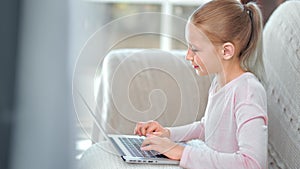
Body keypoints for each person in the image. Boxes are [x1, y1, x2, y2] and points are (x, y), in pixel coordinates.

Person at [134, 0, 268, 168]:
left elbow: (252, 163)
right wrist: (168, 133)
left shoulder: (248, 91)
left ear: (226, 51)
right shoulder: (219, 82)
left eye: (195, 49)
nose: (188, 56)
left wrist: (181, 152)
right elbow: (207, 127)